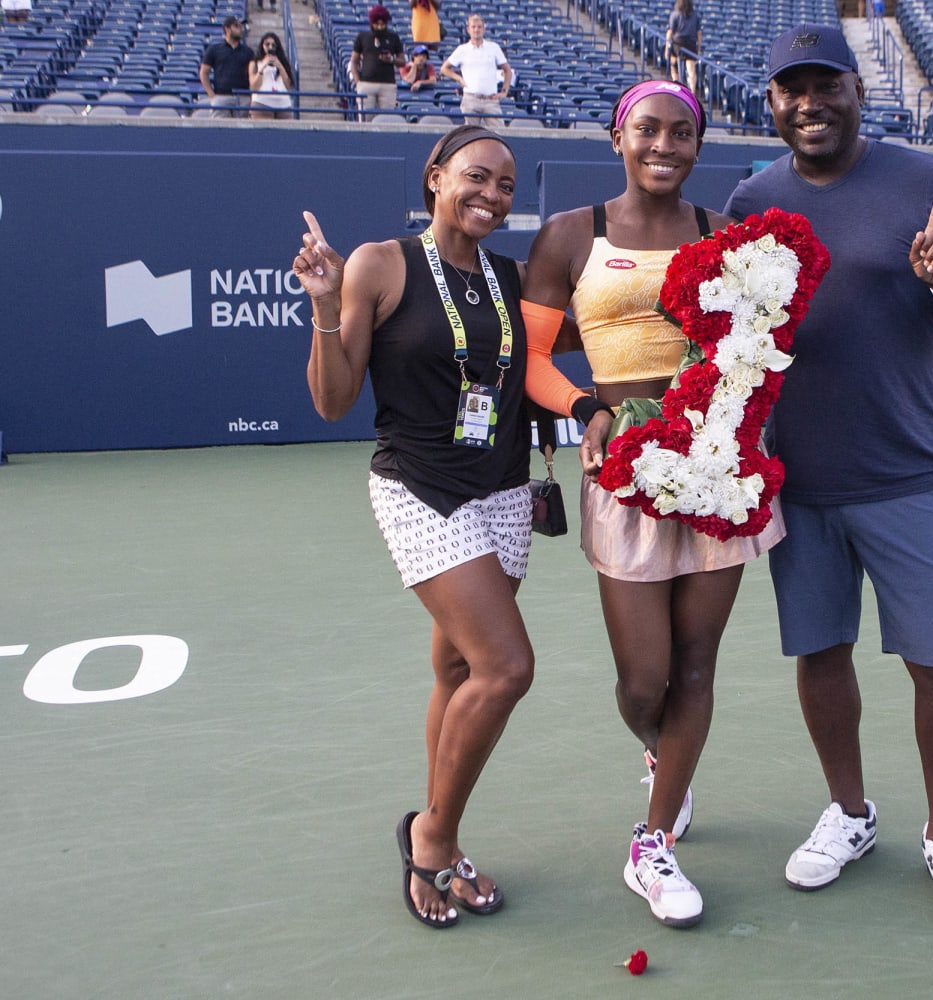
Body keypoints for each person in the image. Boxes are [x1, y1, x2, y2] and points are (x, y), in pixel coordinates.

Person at [723, 24, 933, 929]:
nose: (809, 102)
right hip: (796, 483)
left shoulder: (927, 180)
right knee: (819, 654)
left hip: (907, 474)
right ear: (771, 102)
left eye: (826, 85)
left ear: (857, 89)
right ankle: (849, 814)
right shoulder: (750, 197)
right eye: (790, 88)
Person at [518, 79, 784, 930]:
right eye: (647, 131)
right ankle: (659, 752)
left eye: (681, 133)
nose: (663, 145)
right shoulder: (569, 235)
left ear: (699, 147)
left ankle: (653, 839)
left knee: (697, 664)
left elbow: (756, 340)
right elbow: (530, 362)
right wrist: (586, 409)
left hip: (719, 463)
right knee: (645, 679)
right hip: (625, 465)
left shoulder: (725, 235)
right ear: (617, 138)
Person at [292, 125, 532, 931]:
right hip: (420, 490)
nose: (492, 195)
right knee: (506, 668)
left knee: (460, 674)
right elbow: (332, 399)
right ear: (435, 177)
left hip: (501, 491)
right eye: (475, 177)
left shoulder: (508, 276)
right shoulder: (379, 263)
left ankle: (445, 833)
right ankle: (430, 836)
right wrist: (327, 306)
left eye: (505, 185)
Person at [443, 13, 514, 128]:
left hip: (490, 99)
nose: (476, 30)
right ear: (468, 29)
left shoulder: (494, 47)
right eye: (473, 27)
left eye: (479, 27)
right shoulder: (462, 49)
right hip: (471, 98)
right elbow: (444, 68)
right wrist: (458, 78)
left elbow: (507, 70)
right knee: (470, 135)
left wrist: (504, 91)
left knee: (498, 132)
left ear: (484, 29)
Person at [351, 4, 405, 121]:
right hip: (366, 83)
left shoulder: (393, 37)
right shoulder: (362, 37)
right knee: (366, 120)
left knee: (387, 120)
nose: (380, 27)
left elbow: (402, 61)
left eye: (383, 24)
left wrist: (391, 59)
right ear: (372, 23)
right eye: (377, 24)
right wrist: (358, 82)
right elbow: (354, 61)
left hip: (388, 85)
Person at [199, 16, 254, 118]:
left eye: (241, 26)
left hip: (243, 97)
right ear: (227, 29)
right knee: (220, 130)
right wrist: (212, 95)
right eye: (237, 26)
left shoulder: (248, 52)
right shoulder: (214, 49)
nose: (240, 29)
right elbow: (204, 72)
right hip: (221, 96)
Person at [247, 33, 295, 120]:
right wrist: (263, 67)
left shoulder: (283, 63)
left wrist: (280, 66)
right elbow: (253, 86)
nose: (270, 47)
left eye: (273, 45)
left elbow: (289, 85)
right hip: (262, 103)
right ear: (262, 46)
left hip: (283, 104)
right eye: (267, 44)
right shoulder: (255, 63)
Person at [665, 0, 702, 91]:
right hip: (691, 44)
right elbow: (699, 33)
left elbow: (670, 32)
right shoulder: (695, 15)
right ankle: (692, 91)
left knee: (674, 65)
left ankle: (675, 84)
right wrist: (699, 48)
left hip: (678, 43)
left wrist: (666, 48)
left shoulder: (675, 14)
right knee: (691, 69)